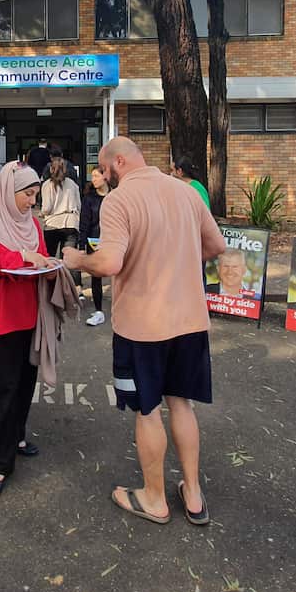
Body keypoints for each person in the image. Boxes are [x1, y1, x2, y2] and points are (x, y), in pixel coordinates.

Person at [63, 138, 225, 527]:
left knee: (147, 410)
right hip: (189, 321)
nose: (103, 176)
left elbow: (109, 262)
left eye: (104, 169)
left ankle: (154, 498)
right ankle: (193, 493)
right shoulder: (185, 193)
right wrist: (177, 257)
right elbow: (216, 245)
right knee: (181, 403)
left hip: (142, 328)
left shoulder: (120, 200)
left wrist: (76, 259)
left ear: (119, 161)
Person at [0, 161, 51, 497]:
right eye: (27, 194)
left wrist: (51, 267)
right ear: (8, 191)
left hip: (30, 316)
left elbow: (44, 258)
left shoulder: (33, 224)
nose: (31, 201)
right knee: (2, 389)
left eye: (35, 194)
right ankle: (0, 464)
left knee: (23, 385)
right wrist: (22, 257)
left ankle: (16, 435)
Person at [40, 155, 82, 289]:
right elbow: (79, 205)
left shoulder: (47, 185)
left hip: (52, 224)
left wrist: (42, 213)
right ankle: (76, 289)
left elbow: (46, 207)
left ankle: (51, 288)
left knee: (50, 259)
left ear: (51, 169)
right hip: (70, 223)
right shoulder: (72, 184)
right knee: (70, 259)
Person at [79, 165, 109, 327]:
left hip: (113, 240)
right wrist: (82, 244)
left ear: (105, 177)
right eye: (93, 176)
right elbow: (84, 222)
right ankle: (99, 311)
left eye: (97, 176)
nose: (94, 180)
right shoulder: (89, 198)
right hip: (94, 241)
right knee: (96, 276)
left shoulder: (115, 195)